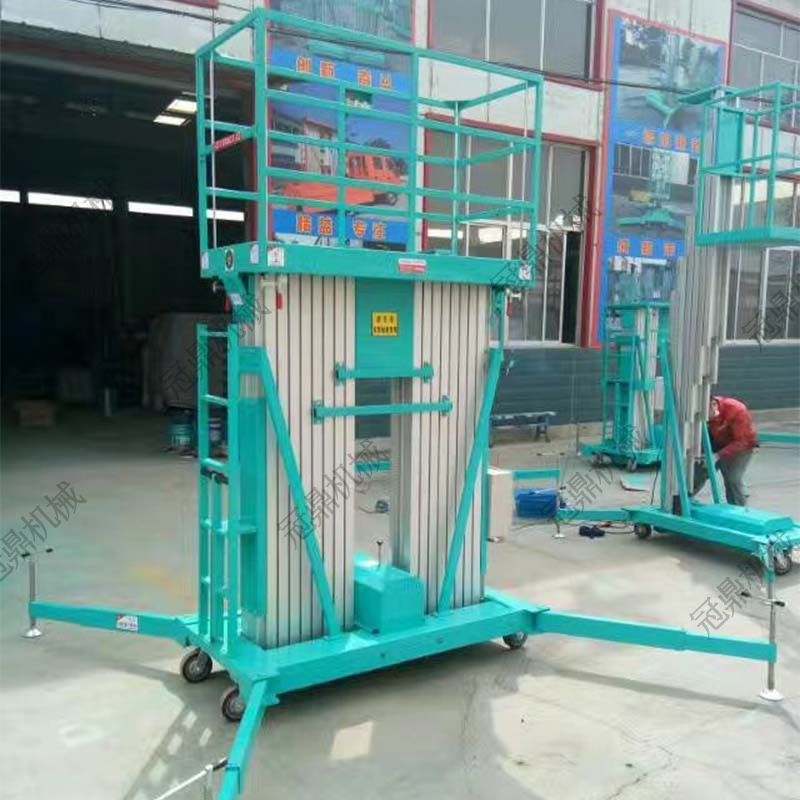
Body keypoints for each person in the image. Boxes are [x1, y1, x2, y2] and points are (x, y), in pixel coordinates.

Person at [693, 395, 758, 506]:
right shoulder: (702, 413)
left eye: (706, 414)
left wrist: (717, 456)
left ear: (713, 405)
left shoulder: (736, 410)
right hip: (717, 441)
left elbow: (743, 441)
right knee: (697, 471)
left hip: (741, 445)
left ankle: (738, 507)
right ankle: (681, 501)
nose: (705, 418)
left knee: (732, 478)